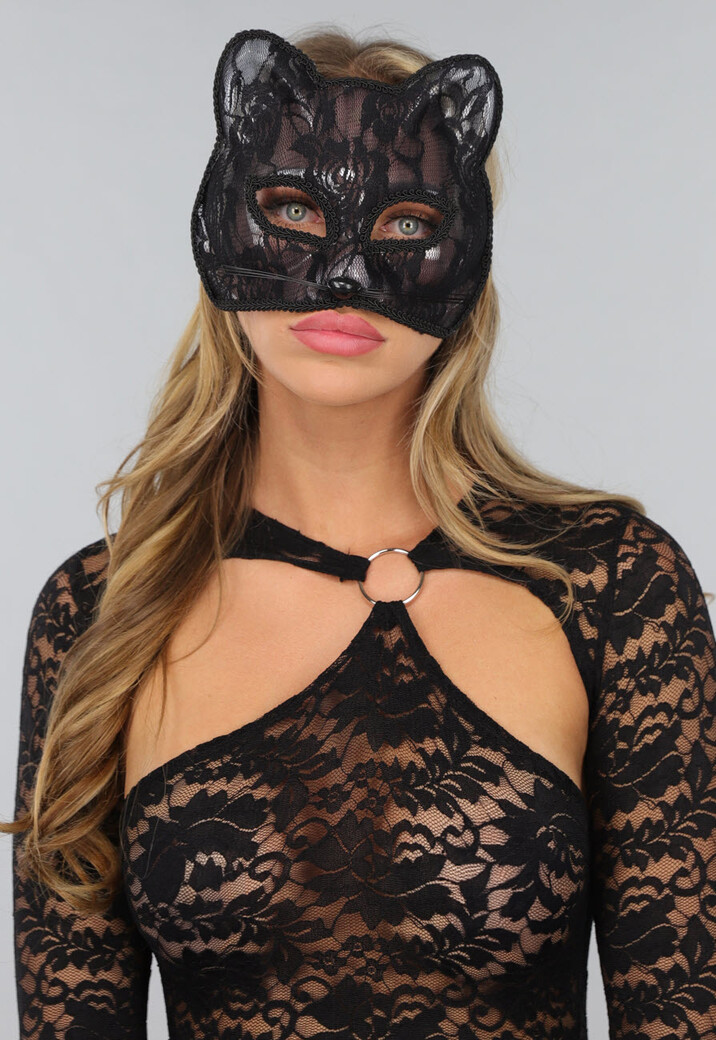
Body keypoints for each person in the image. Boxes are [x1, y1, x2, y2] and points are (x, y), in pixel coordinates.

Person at [3, 24, 715, 1040]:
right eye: (292, 209)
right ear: (220, 229)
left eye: (404, 222)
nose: (343, 272)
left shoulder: (611, 587)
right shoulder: (102, 612)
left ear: (465, 256)